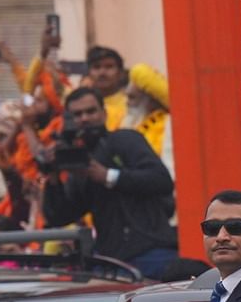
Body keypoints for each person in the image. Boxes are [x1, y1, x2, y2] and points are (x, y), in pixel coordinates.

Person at [40, 86, 178, 278]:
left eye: (91, 111)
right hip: (111, 260)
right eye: (77, 114)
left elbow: (161, 180)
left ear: (104, 114)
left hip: (153, 252)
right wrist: (53, 179)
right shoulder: (80, 161)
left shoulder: (125, 139)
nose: (85, 118)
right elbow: (59, 216)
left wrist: (108, 176)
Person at [85, 45, 130, 131]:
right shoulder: (81, 106)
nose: (102, 73)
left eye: (109, 67)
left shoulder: (130, 105)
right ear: (88, 73)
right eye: (96, 67)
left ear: (121, 73)